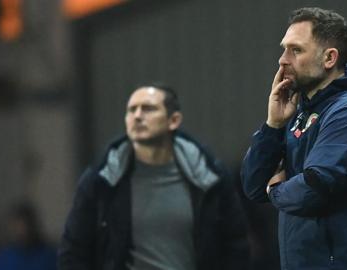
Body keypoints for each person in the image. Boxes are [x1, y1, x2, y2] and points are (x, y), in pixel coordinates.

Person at [241, 7, 347, 270]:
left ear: (329, 58)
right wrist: (273, 125)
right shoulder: (296, 112)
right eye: (284, 49)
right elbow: (253, 185)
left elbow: (314, 187)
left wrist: (275, 191)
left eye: (296, 50)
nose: (282, 60)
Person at [59, 83, 249, 270]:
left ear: (173, 120)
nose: (137, 116)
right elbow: (74, 250)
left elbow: (235, 246)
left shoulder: (209, 178)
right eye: (131, 110)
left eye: (148, 109)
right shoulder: (102, 180)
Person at [0, 202, 57, 270]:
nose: (22, 231)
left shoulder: (49, 256)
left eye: (24, 226)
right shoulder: (3, 259)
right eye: (17, 226)